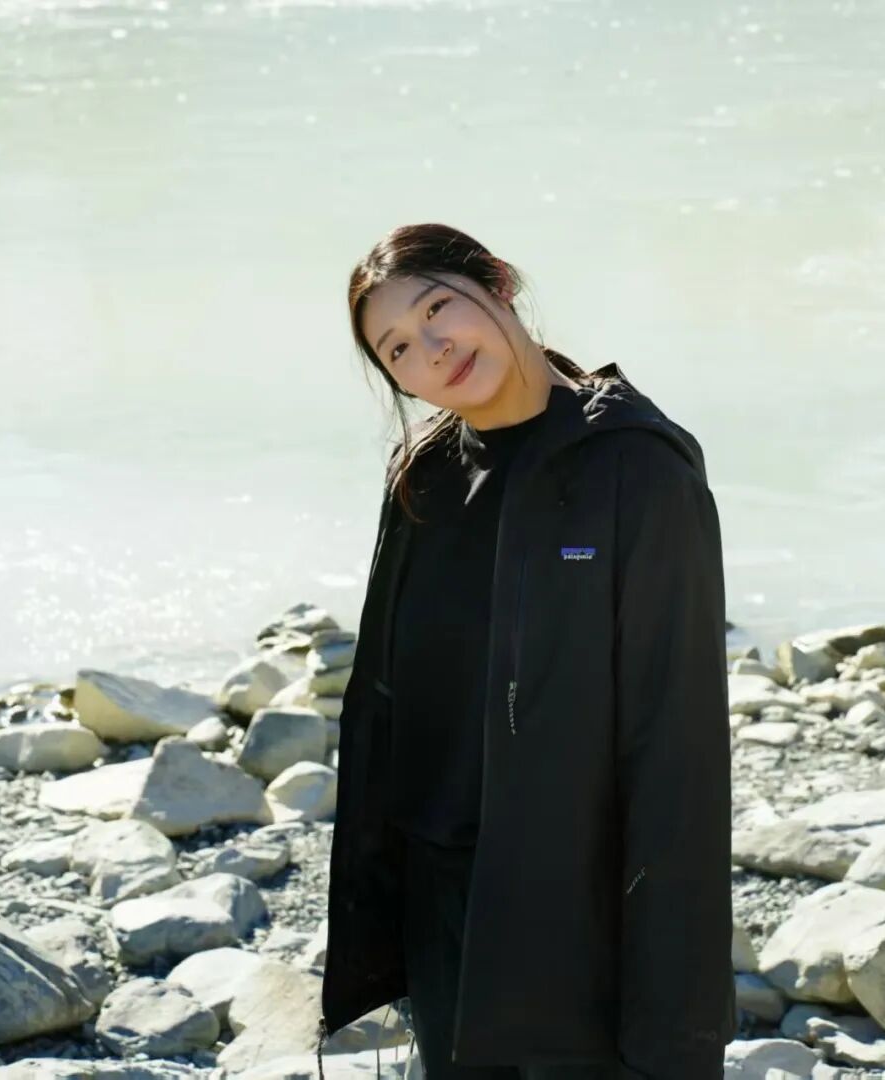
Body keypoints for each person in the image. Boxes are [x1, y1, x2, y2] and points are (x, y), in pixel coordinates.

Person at [317, 223, 736, 1080]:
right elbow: (385, 705)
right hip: (444, 899)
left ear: (500, 283)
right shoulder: (424, 476)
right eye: (398, 348)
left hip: (575, 901)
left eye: (438, 309)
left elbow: (677, 738)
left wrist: (675, 1006)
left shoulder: (636, 469)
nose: (432, 349)